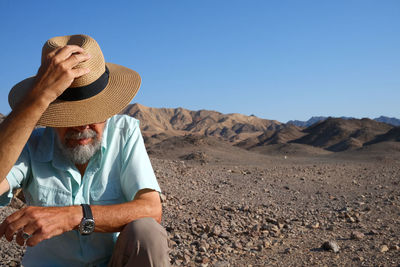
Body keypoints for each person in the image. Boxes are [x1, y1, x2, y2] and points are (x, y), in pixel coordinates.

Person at [0, 34, 170, 267]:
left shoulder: (124, 132)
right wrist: (38, 98)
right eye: (69, 116)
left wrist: (74, 216)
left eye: (93, 113)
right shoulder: (30, 145)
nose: (82, 125)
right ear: (48, 115)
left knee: (147, 232)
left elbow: (151, 209)